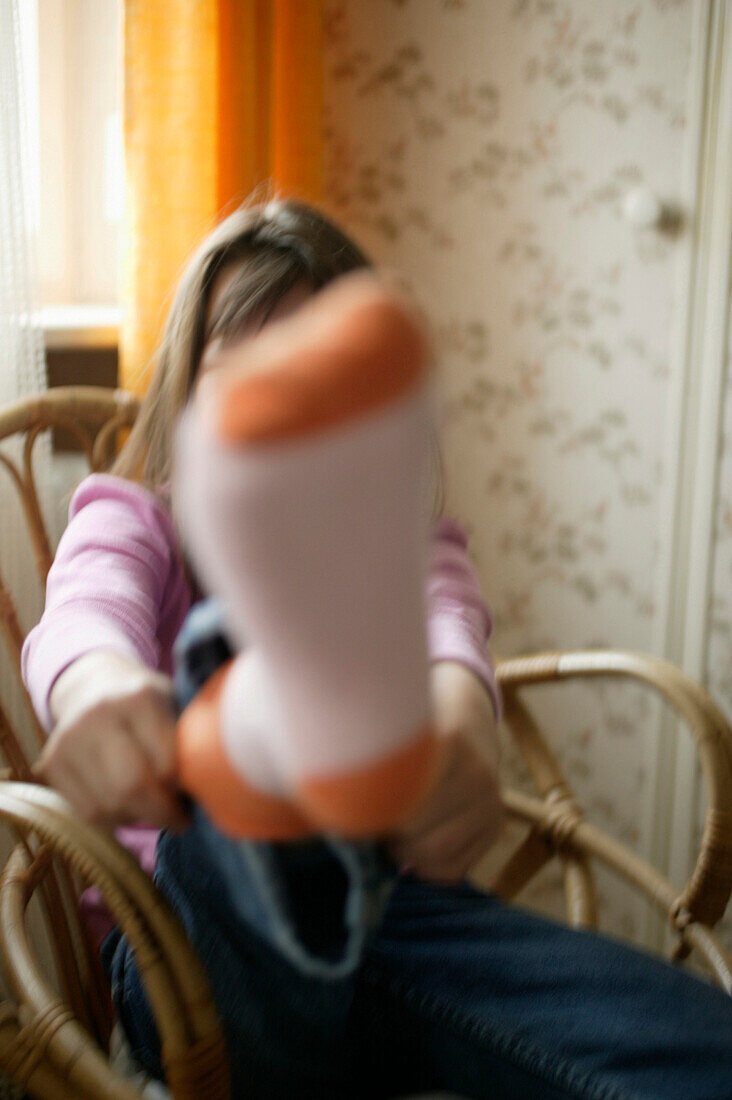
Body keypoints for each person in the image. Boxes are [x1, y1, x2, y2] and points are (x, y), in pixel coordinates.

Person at [22, 199, 732, 1099]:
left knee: (699, 1048)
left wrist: (460, 729)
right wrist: (98, 689)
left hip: (407, 928)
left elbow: (449, 649)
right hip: (194, 958)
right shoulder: (137, 523)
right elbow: (86, 612)